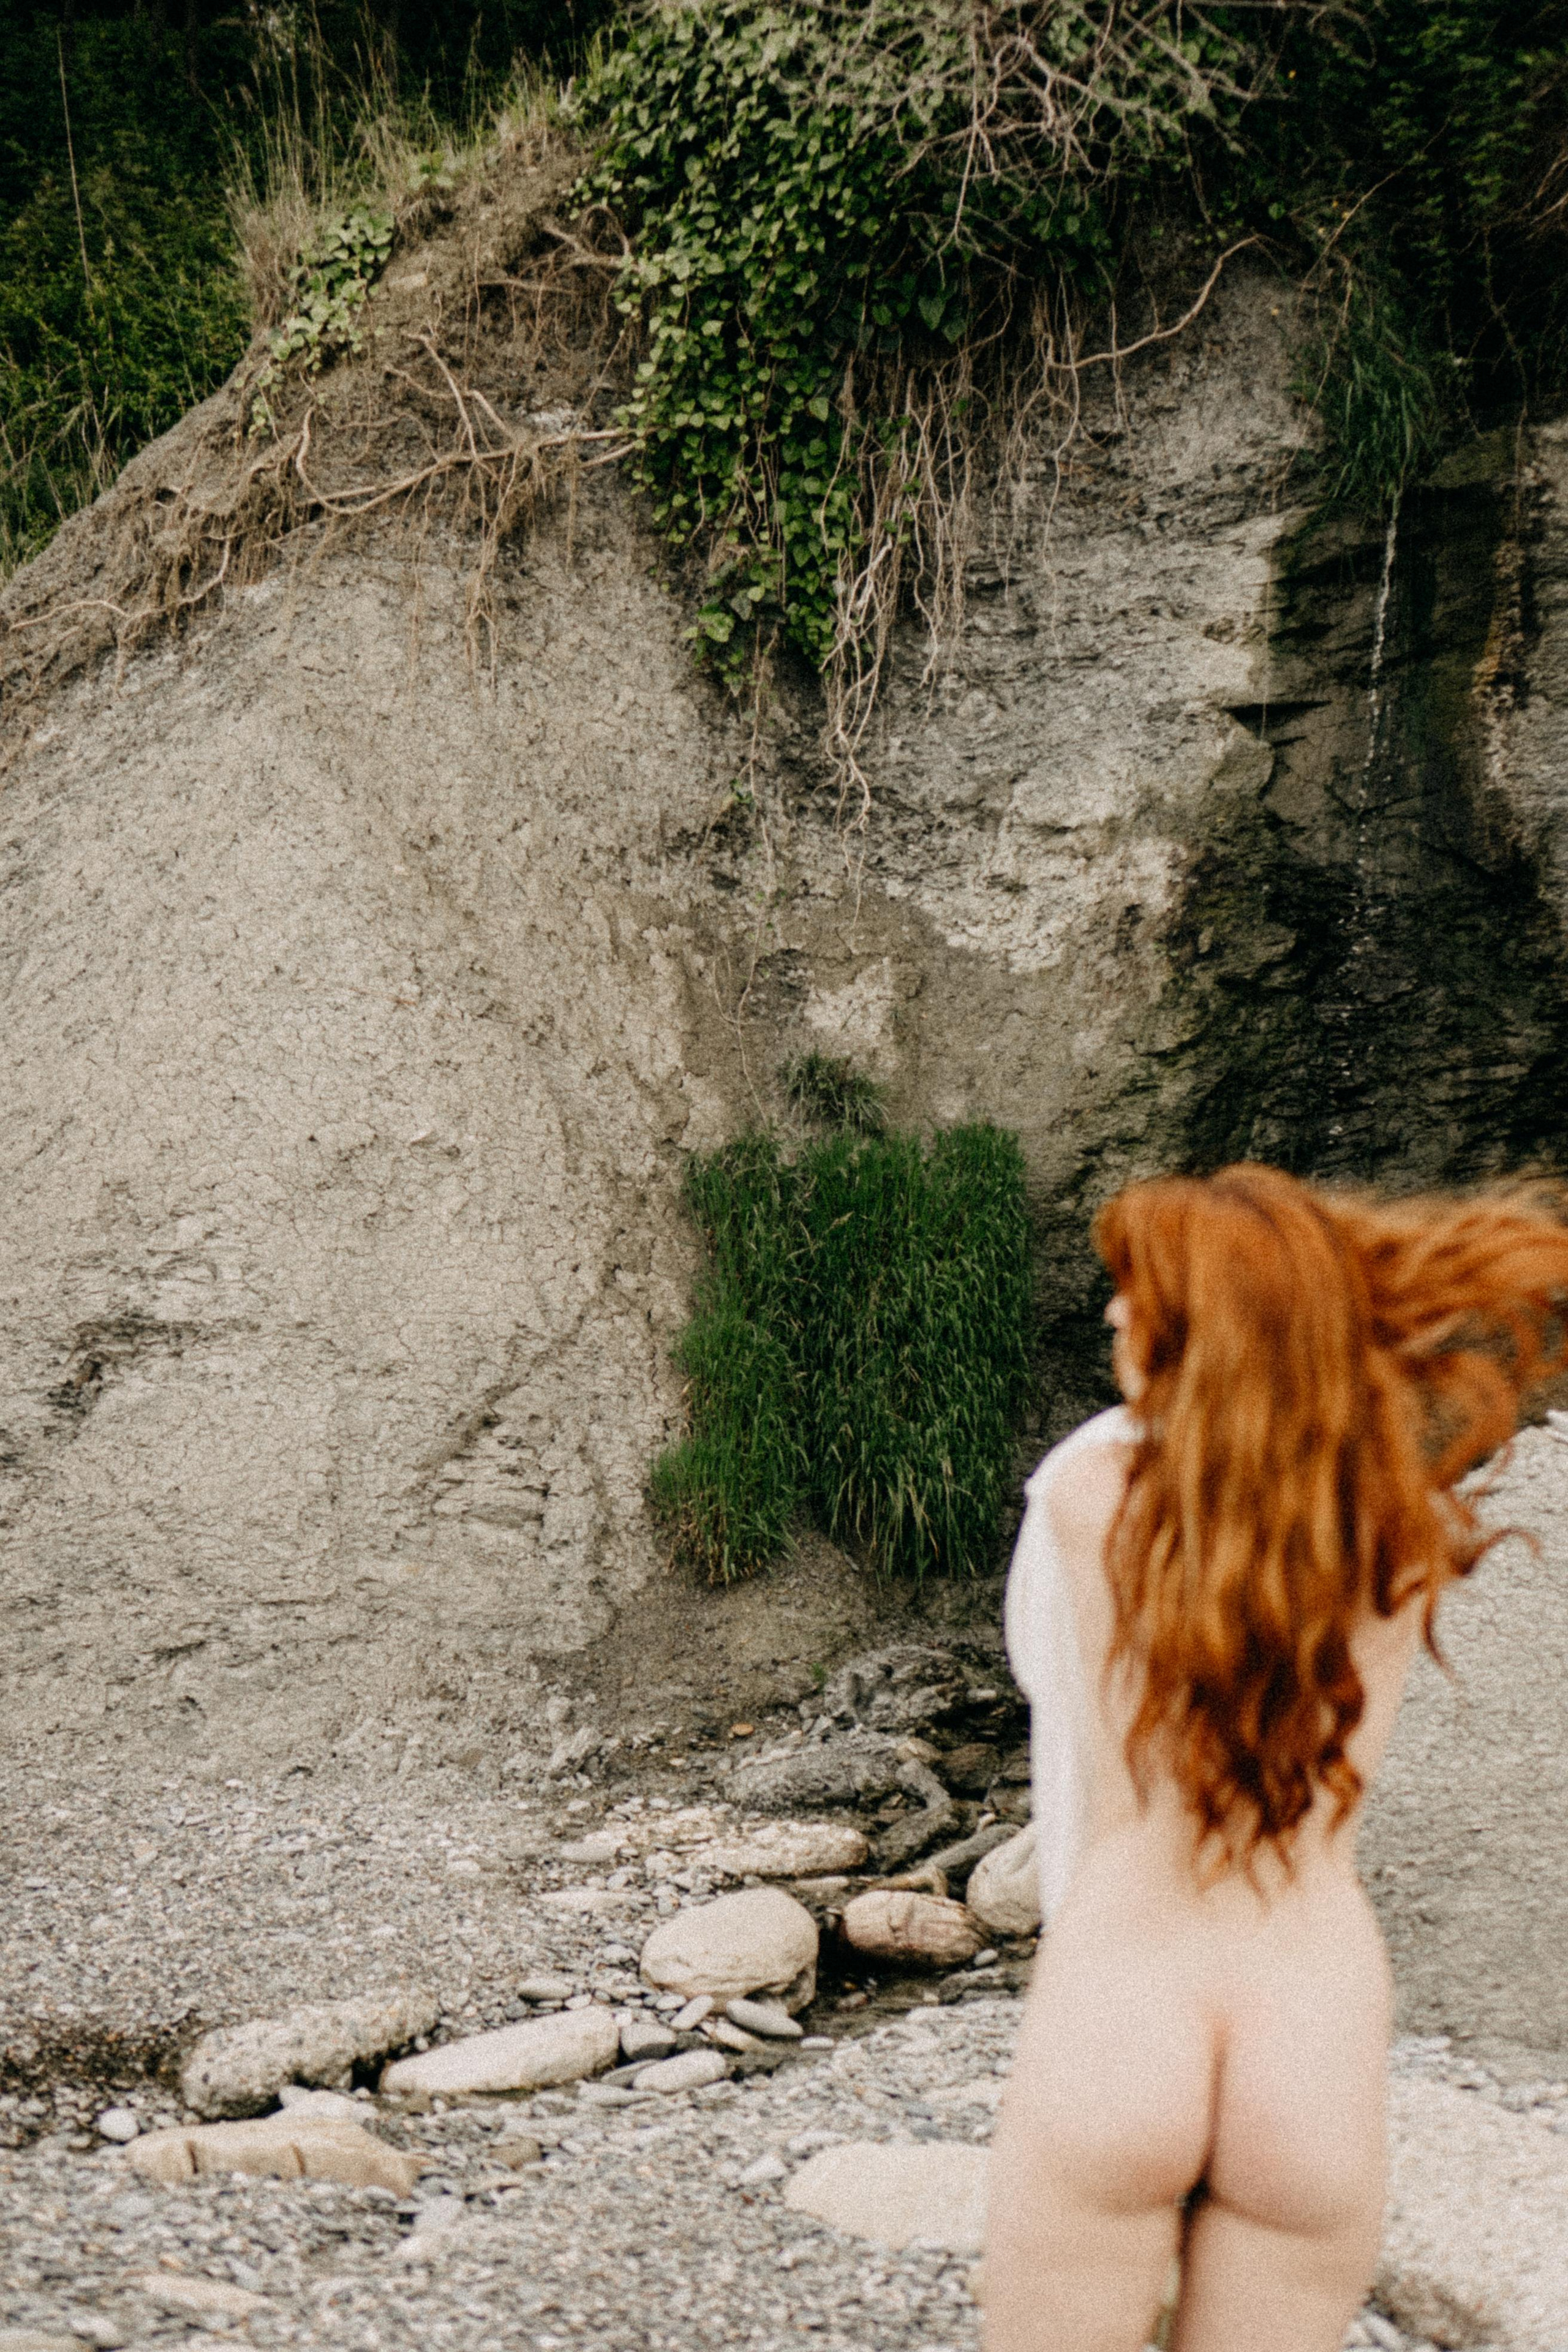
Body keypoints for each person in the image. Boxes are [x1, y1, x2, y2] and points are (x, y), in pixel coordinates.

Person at [983, 1161, 1568, 2352]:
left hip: (1125, 1997)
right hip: (1308, 2017)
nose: (1109, 1315)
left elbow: (1046, 1684)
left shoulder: (1090, 1492)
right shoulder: (1394, 1516)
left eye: (1135, 1294)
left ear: (1200, 1325)